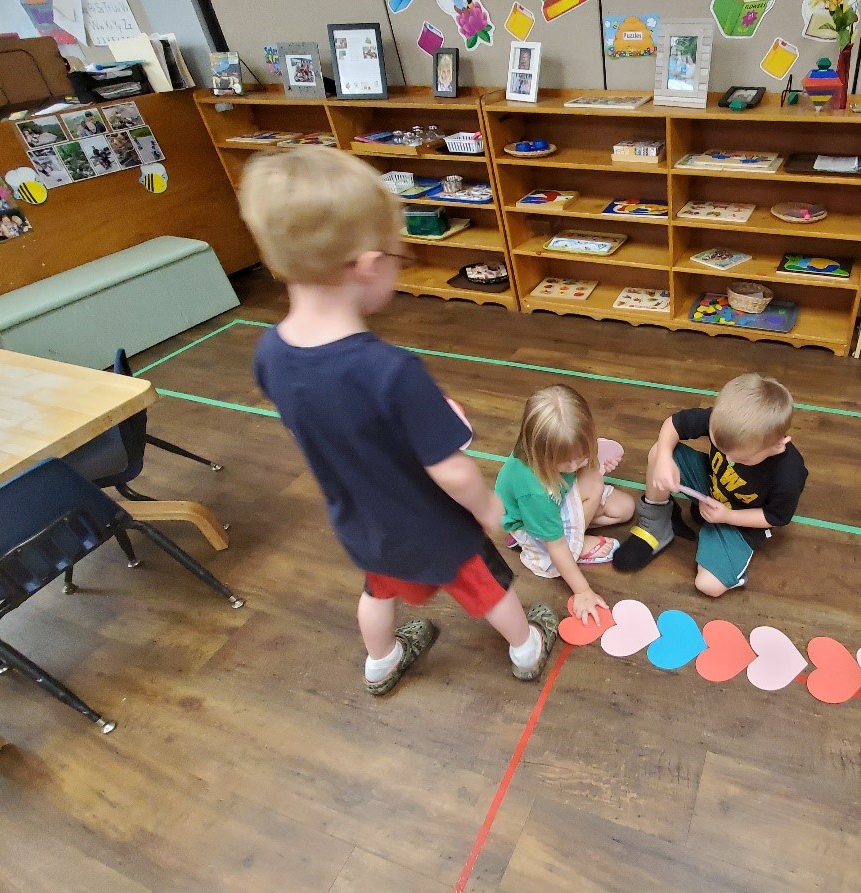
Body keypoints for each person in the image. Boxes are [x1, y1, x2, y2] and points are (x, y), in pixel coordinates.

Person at [242, 146, 559, 695]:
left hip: (363, 525)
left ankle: (381, 662)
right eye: (399, 256)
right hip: (433, 528)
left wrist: (421, 421)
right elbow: (453, 473)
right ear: (368, 265)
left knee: (377, 593)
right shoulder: (390, 371)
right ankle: (527, 647)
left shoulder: (270, 353)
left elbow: (332, 424)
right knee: (487, 589)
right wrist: (490, 510)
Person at [613, 374, 808, 598]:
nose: (730, 460)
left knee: (708, 585)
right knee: (659, 452)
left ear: (777, 445)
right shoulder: (725, 421)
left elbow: (775, 517)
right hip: (710, 487)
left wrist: (727, 517)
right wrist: (665, 457)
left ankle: (731, 569)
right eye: (720, 449)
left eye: (742, 459)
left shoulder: (789, 474)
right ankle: (656, 525)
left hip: (739, 520)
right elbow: (675, 424)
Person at [495, 386, 636, 624]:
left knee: (623, 508)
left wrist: (592, 461)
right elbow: (556, 547)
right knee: (593, 484)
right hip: (534, 518)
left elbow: (576, 465)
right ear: (540, 452)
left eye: (579, 456)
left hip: (547, 504)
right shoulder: (535, 492)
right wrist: (583, 591)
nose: (573, 467)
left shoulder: (545, 447)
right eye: (564, 462)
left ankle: (559, 529)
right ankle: (550, 541)